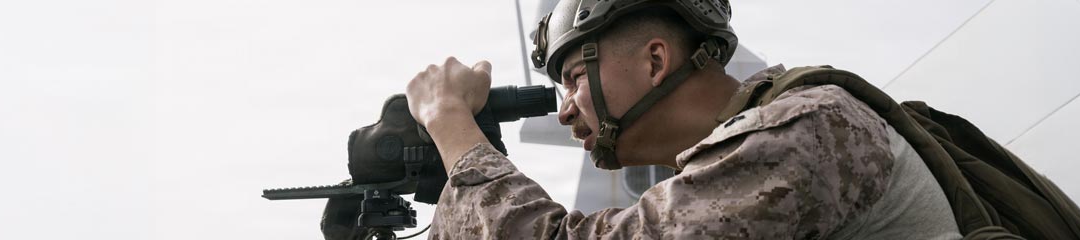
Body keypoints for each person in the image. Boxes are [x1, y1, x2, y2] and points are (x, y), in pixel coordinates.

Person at [405, 0, 963, 238]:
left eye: (575, 77)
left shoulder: (803, 131)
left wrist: (450, 123)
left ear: (655, 61)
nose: (565, 107)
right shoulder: (768, 138)